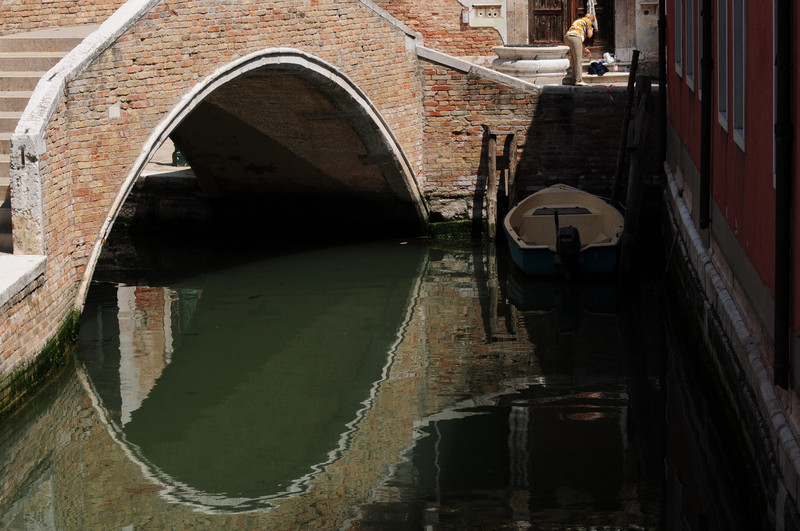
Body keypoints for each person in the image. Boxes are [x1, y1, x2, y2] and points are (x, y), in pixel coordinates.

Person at [564, 13, 595, 85]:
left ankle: (574, 79)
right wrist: (592, 29)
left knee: (574, 59)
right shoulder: (588, 21)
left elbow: (579, 41)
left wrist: (585, 50)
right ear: (592, 19)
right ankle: (579, 80)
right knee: (578, 60)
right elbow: (589, 35)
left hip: (568, 37)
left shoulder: (579, 20)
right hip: (575, 37)